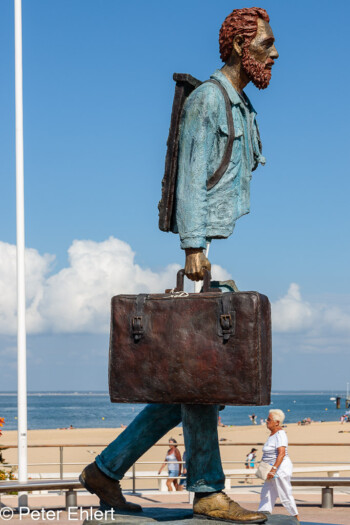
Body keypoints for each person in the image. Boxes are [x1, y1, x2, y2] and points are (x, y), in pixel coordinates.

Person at [80, 8, 278, 523]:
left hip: (216, 237)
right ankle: (207, 489)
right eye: (266, 44)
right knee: (203, 373)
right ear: (240, 47)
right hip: (202, 246)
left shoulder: (239, 102)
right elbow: (191, 170)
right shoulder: (209, 99)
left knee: (189, 380)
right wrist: (192, 247)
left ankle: (107, 468)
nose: (274, 53)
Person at [258, 409, 299, 520]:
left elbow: (281, 453)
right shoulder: (272, 434)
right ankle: (263, 515)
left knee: (285, 494)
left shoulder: (280, 434)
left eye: (269, 419)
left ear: (277, 422)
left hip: (279, 469)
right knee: (266, 493)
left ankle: (296, 517)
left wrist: (274, 469)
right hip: (271, 469)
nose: (266, 421)